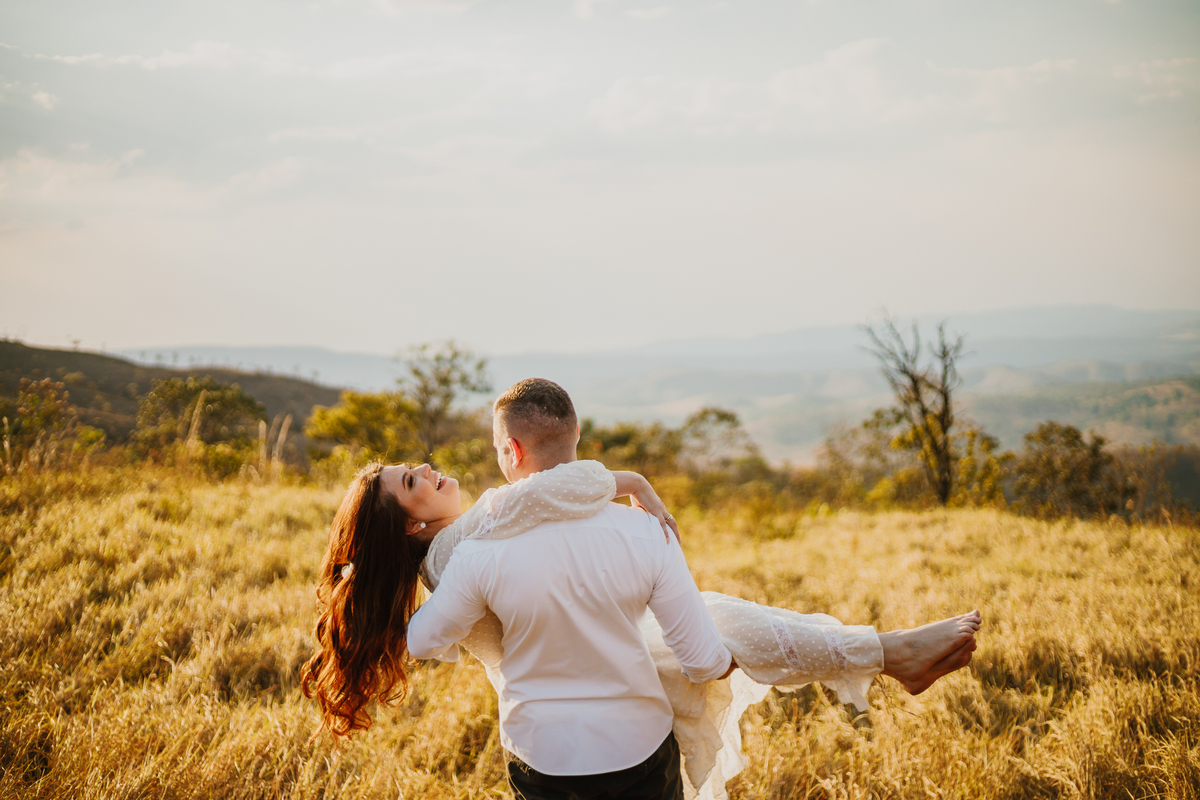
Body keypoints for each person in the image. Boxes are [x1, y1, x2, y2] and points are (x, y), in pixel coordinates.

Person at [302, 379, 980, 800]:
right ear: (413, 523)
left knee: (720, 622)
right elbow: (546, 487)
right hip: (612, 707)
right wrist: (634, 483)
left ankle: (886, 653)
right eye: (410, 482)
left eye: (412, 466)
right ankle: (888, 654)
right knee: (716, 625)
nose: (424, 468)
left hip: (543, 738)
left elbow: (539, 494)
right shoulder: (465, 547)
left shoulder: (470, 545)